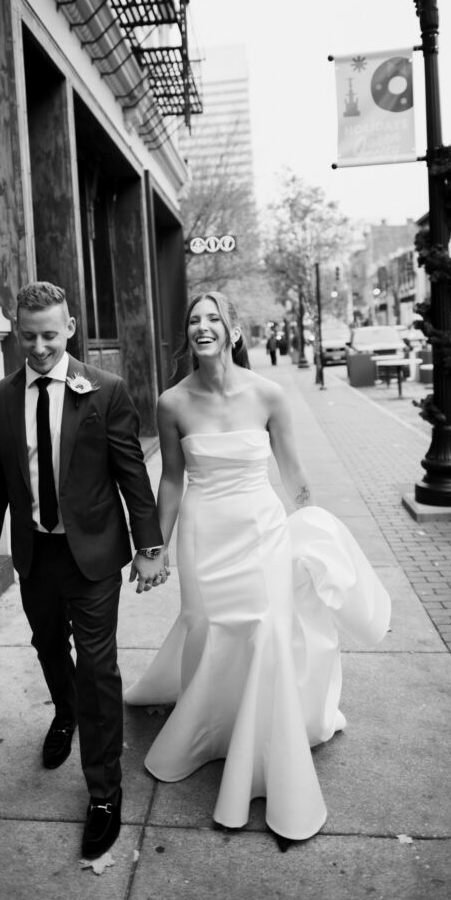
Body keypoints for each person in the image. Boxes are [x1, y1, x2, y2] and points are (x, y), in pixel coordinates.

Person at [124, 292, 390, 845]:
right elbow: (172, 480)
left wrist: (315, 528)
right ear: (188, 333)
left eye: (213, 319)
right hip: (204, 532)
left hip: (262, 532)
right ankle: (210, 734)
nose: (203, 327)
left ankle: (265, 752)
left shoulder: (269, 394)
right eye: (194, 320)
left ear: (233, 330)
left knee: (266, 632)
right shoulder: (171, 402)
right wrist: (155, 546)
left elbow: (293, 472)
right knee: (209, 629)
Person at [0, 281, 166, 860]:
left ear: (71, 328)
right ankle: (65, 711)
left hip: (95, 555)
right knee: (47, 644)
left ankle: (104, 792)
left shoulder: (105, 391)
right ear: (15, 331)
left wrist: (149, 546)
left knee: (98, 666)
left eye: (50, 335)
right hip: (36, 553)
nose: (38, 347)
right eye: (28, 336)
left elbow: (132, 473)